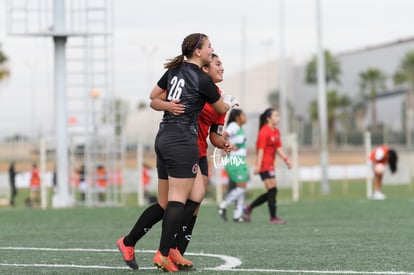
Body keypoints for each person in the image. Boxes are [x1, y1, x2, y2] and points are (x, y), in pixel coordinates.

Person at [117, 34, 233, 272]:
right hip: (182, 142)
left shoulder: (176, 71)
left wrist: (222, 141)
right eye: (210, 48)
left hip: (165, 138)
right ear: (200, 54)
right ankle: (164, 252)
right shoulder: (203, 81)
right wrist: (228, 102)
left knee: (171, 201)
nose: (214, 52)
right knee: (178, 201)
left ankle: (131, 243)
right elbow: (220, 106)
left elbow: (153, 98)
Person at [244, 108, 291, 224]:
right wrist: (258, 166)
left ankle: (249, 208)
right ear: (268, 118)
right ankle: (273, 217)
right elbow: (260, 150)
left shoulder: (276, 131)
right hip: (264, 165)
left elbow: (278, 148)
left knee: (272, 191)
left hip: (270, 165)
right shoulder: (264, 132)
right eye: (275, 116)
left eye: (278, 116)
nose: (278, 118)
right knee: (272, 190)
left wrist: (286, 160)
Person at [218, 108, 249, 222]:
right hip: (234, 160)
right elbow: (223, 136)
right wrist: (228, 145)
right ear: (237, 117)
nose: (246, 117)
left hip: (240, 160)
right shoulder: (233, 126)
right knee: (241, 187)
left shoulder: (239, 128)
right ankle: (223, 204)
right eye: (243, 115)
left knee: (241, 187)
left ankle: (237, 215)